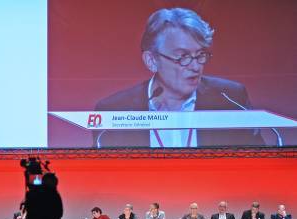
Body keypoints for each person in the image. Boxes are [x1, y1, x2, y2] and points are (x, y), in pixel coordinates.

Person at [94, 8, 263, 148]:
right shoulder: (116, 110)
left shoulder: (231, 100)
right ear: (152, 60)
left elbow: (258, 166)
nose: (196, 66)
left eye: (200, 55)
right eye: (183, 57)